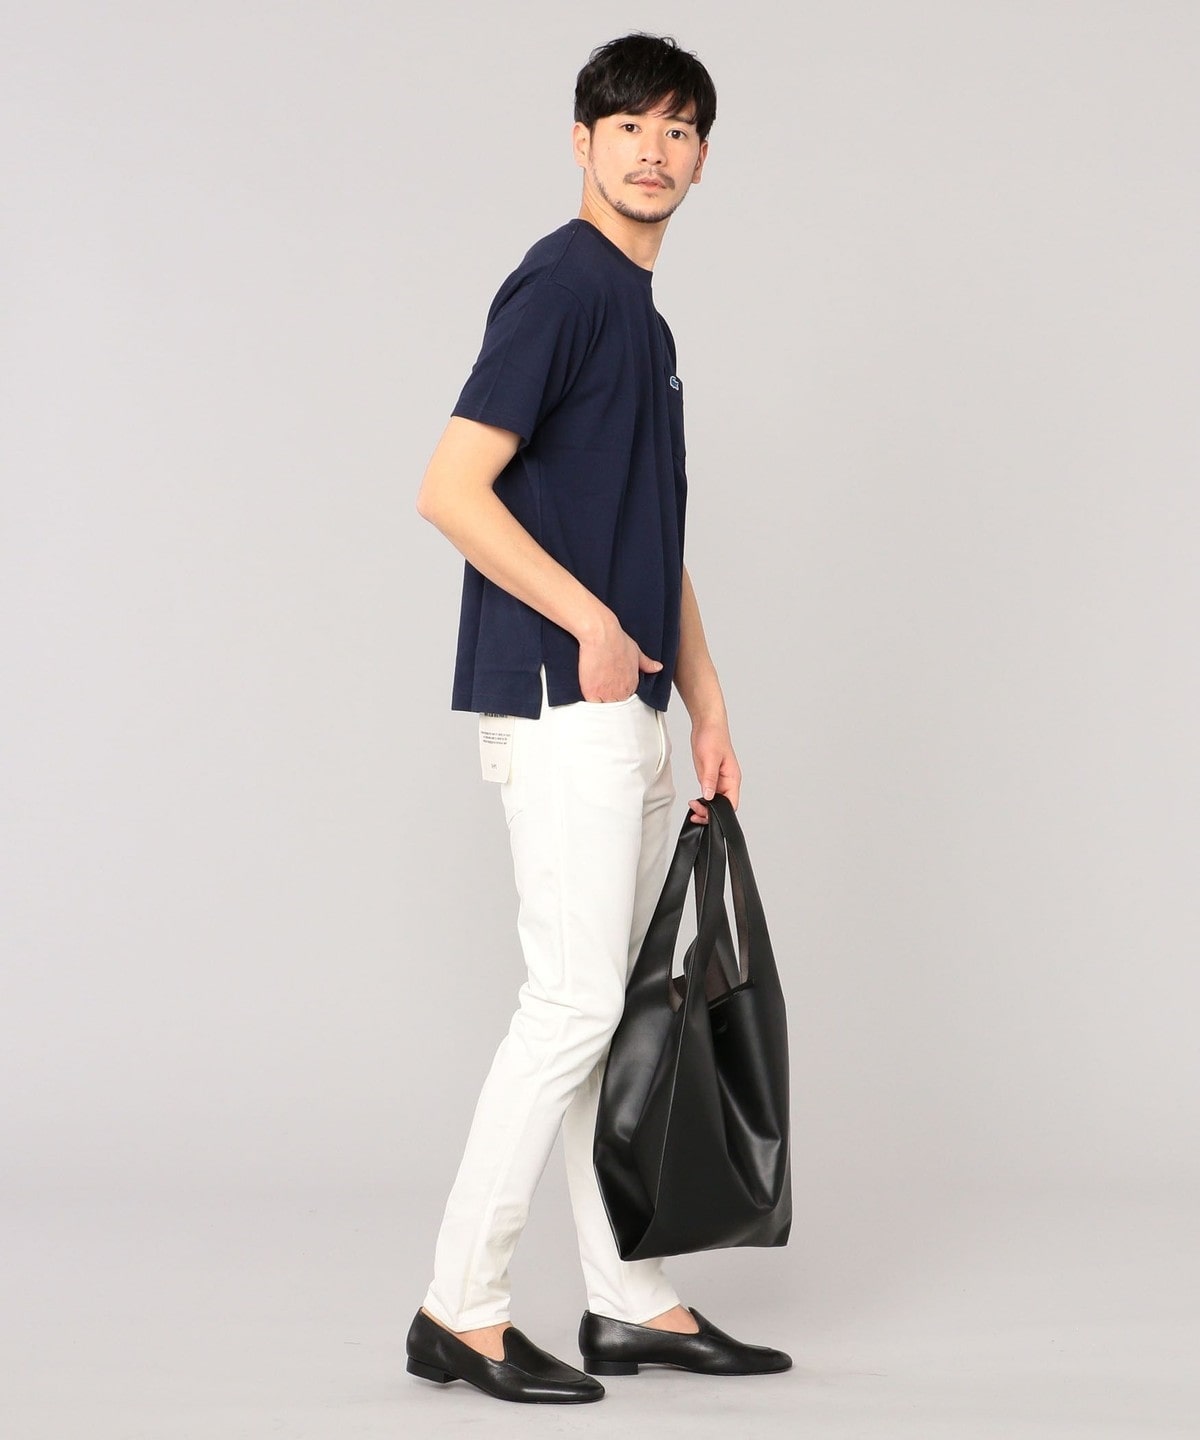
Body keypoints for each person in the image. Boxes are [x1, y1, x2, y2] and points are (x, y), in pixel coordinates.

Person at [405, 33, 791, 1405]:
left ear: (701, 160)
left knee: (608, 1015)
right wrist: (589, 625)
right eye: (628, 124)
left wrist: (710, 701)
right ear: (582, 143)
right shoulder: (564, 284)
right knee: (571, 1005)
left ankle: (627, 1300)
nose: (652, 150)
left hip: (627, 709)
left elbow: (650, 541)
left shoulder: (645, 321)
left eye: (678, 130)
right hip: (564, 701)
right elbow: (451, 489)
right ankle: (460, 1309)